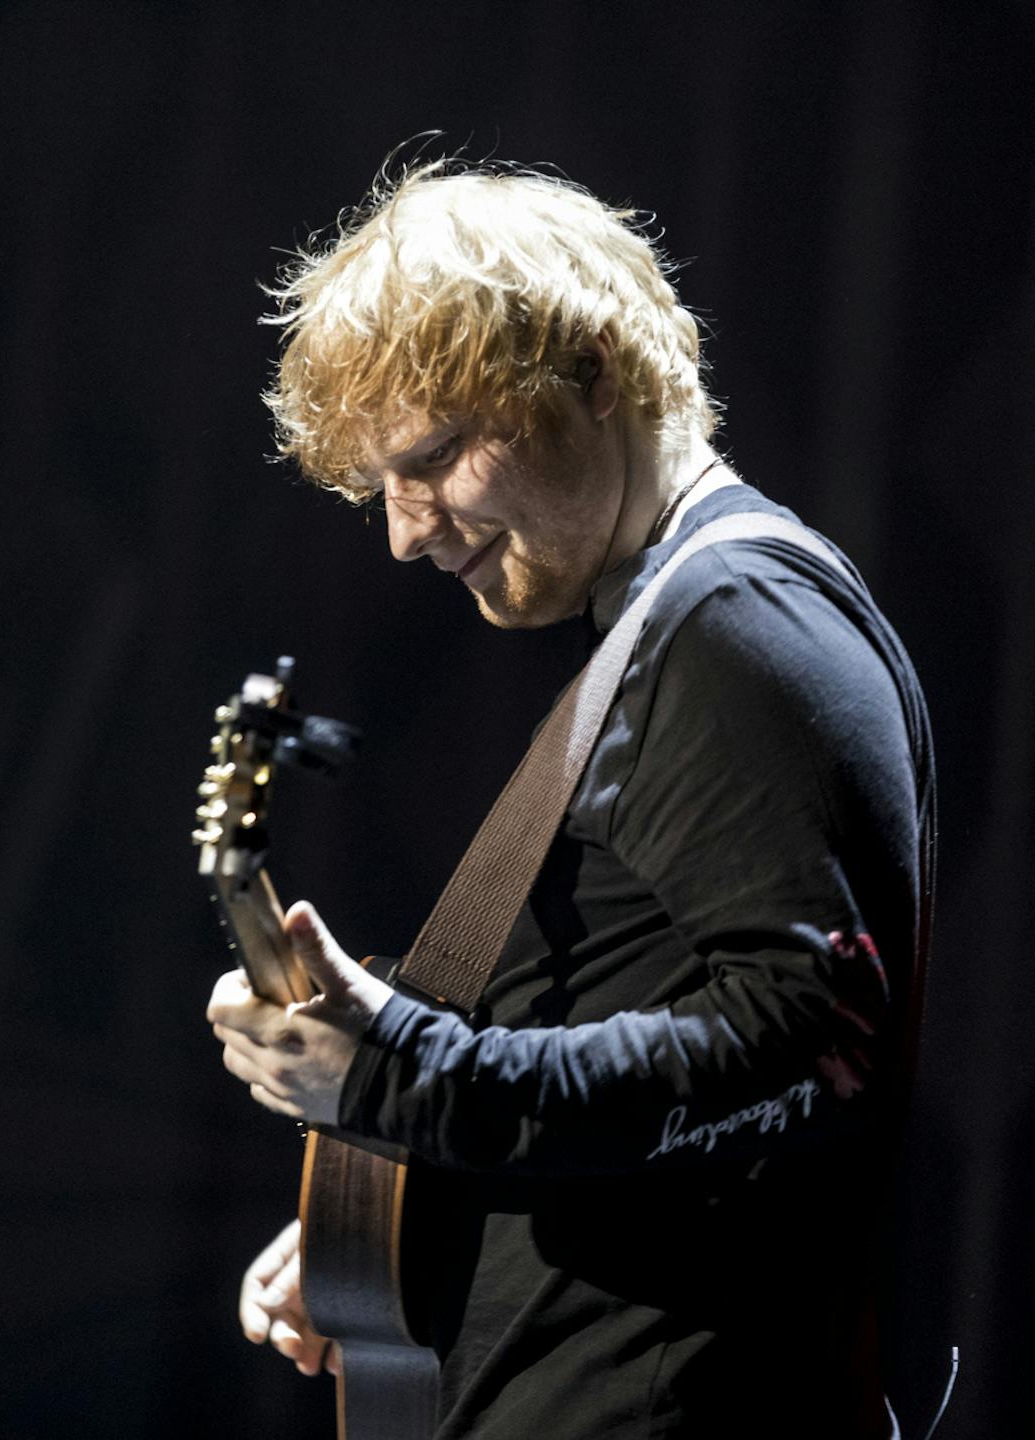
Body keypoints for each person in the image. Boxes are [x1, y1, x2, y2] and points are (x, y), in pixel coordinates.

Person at [206, 161, 935, 1439]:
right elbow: (627, 1070)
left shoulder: (738, 623)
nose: (405, 531)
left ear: (593, 370)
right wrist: (404, 1212)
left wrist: (401, 1081)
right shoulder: (672, 625)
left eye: (436, 456)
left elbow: (813, 1045)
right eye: (382, 485)